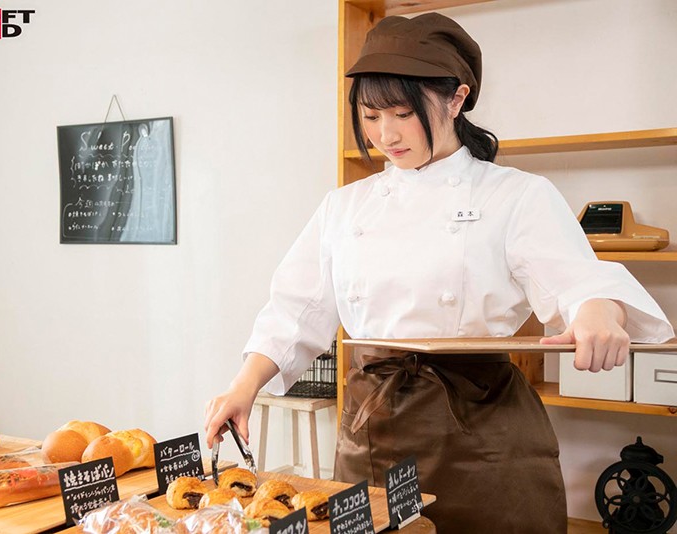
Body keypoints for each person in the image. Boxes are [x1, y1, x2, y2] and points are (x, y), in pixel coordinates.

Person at [204, 13, 674, 533]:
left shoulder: (515, 194)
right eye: (370, 116)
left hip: (483, 427)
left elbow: (579, 280)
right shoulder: (346, 206)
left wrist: (598, 312)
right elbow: (296, 309)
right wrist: (243, 387)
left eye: (403, 113)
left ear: (457, 99)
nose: (385, 135)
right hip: (373, 422)